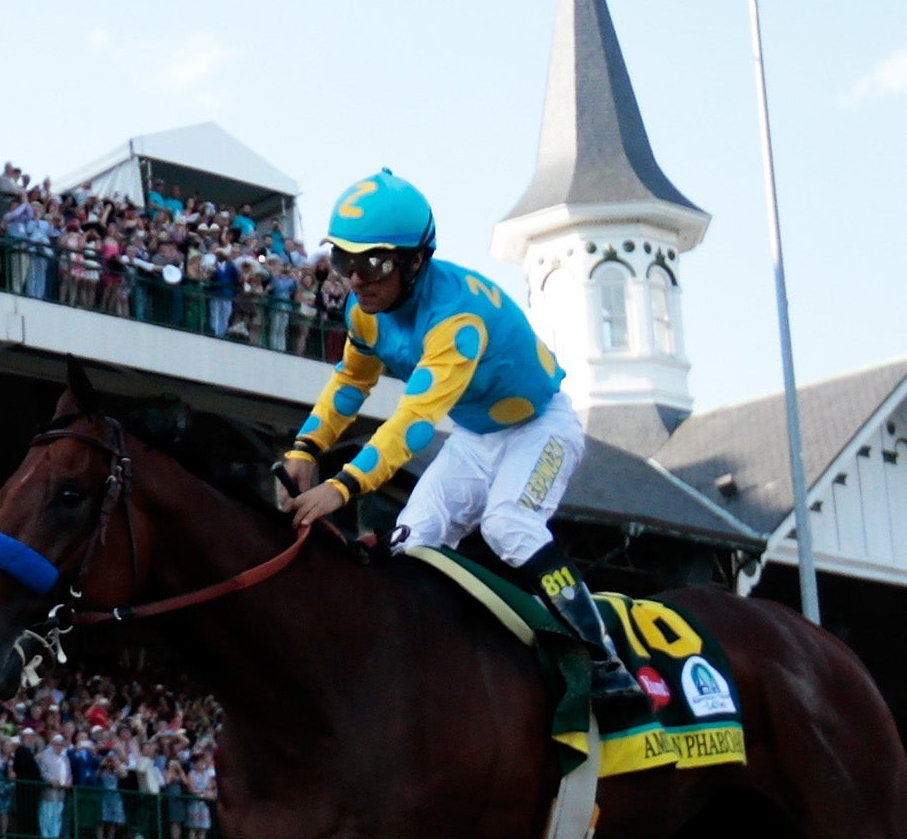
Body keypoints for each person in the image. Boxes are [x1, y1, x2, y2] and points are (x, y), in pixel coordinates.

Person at [274, 169, 646, 730]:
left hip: (542, 427)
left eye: (371, 264)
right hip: (478, 433)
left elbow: (414, 422)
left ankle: (604, 659)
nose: (356, 280)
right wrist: (306, 446)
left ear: (415, 262)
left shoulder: (455, 321)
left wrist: (342, 485)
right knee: (407, 544)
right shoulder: (364, 312)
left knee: (508, 525)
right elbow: (351, 384)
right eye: (343, 263)